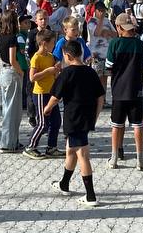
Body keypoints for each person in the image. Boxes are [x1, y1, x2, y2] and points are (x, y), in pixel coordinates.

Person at [44, 39, 105, 206]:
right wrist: (95, 116)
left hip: (74, 118)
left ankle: (90, 196)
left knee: (82, 154)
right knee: (70, 150)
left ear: (68, 56)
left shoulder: (66, 73)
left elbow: (55, 97)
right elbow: (101, 96)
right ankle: (64, 184)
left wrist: (47, 109)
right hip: (87, 117)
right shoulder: (91, 72)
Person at [105, 13, 143, 171]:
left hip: (118, 90)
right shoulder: (140, 44)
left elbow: (109, 65)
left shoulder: (114, 43)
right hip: (136, 90)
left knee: (116, 125)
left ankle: (114, 158)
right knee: (138, 124)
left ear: (118, 27)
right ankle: (140, 159)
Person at [26, 29, 62, 159]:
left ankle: (51, 147)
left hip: (51, 93)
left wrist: (57, 70)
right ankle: (30, 147)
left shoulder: (50, 56)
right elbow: (32, 77)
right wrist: (48, 71)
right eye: (52, 43)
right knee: (43, 123)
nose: (54, 45)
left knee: (56, 121)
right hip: (40, 94)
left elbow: (54, 73)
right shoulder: (36, 58)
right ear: (44, 43)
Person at [0, 11, 25, 153]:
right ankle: (7, 143)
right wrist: (21, 72)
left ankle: (13, 141)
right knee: (12, 110)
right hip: (12, 72)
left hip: (4, 71)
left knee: (9, 108)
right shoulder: (13, 37)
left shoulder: (1, 35)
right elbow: (13, 59)